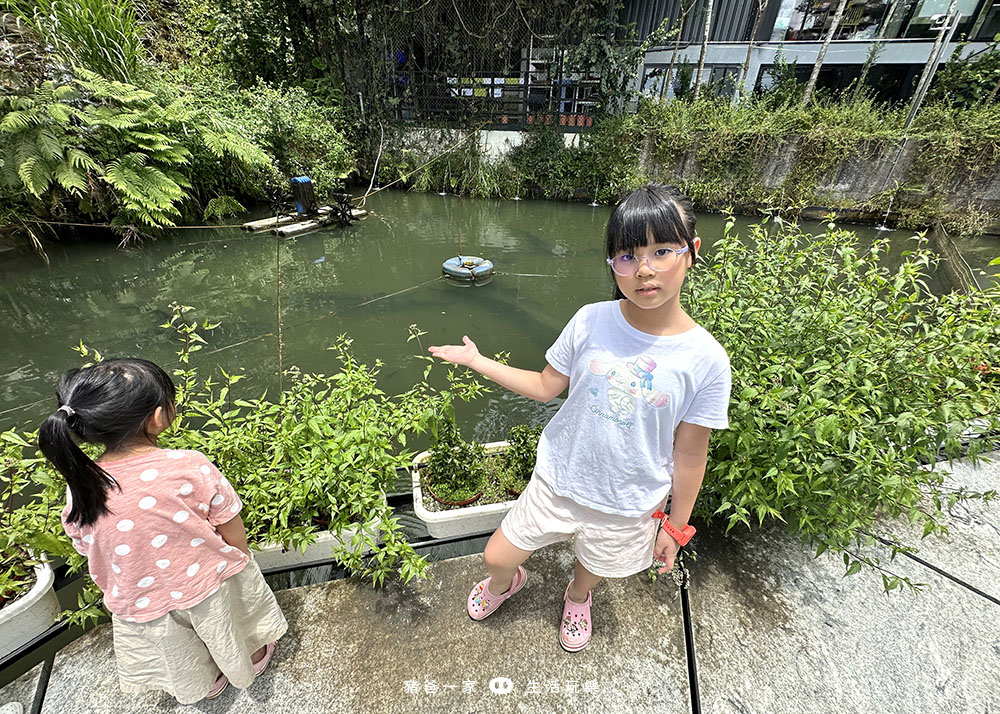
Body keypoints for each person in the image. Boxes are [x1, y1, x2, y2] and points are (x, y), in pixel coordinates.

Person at [429, 183, 731, 652]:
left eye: (662, 251)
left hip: (627, 500)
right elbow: (547, 385)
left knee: (593, 568)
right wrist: (477, 362)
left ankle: (577, 597)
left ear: (691, 253)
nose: (644, 270)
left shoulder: (706, 360)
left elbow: (690, 454)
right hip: (559, 476)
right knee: (497, 555)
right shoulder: (592, 319)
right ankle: (506, 584)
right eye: (627, 255)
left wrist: (676, 525)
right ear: (612, 263)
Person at [38, 358, 287, 703]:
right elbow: (229, 518)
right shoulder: (189, 465)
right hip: (205, 578)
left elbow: (86, 545)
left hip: (140, 596)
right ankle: (251, 660)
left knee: (178, 650)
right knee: (230, 624)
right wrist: (241, 558)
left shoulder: (81, 484)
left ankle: (206, 681)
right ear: (158, 417)